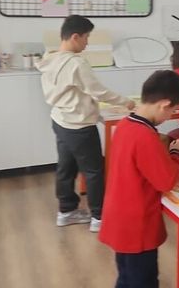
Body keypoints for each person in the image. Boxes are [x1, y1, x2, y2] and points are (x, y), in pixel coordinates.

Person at [38, 15, 135, 233]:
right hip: (80, 126)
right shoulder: (76, 63)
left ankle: (66, 211)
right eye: (86, 37)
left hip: (60, 121)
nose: (87, 43)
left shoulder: (50, 58)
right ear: (75, 37)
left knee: (66, 167)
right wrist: (126, 102)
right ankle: (99, 217)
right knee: (93, 171)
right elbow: (98, 91)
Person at [99, 70, 179, 287]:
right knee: (143, 281)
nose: (171, 116)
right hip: (137, 225)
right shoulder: (145, 136)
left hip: (119, 219)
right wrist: (176, 154)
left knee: (126, 278)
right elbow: (167, 181)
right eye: (173, 110)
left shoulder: (124, 124)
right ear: (164, 104)